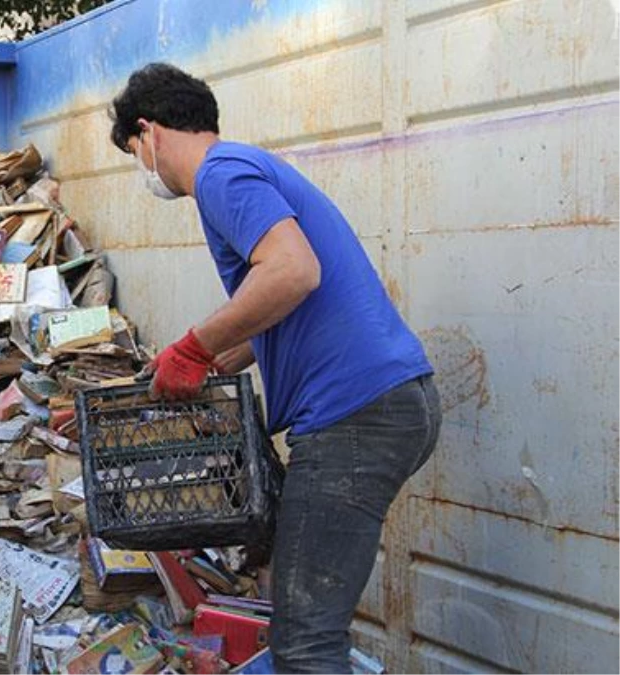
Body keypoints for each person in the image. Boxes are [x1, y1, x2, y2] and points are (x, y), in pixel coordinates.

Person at [109, 63, 441, 673]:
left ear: (148, 132)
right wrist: (200, 358)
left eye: (133, 151)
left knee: (306, 641)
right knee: (299, 610)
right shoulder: (242, 165)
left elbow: (293, 271)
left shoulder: (220, 175)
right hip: (385, 404)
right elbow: (275, 309)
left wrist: (193, 347)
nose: (142, 168)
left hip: (355, 417)